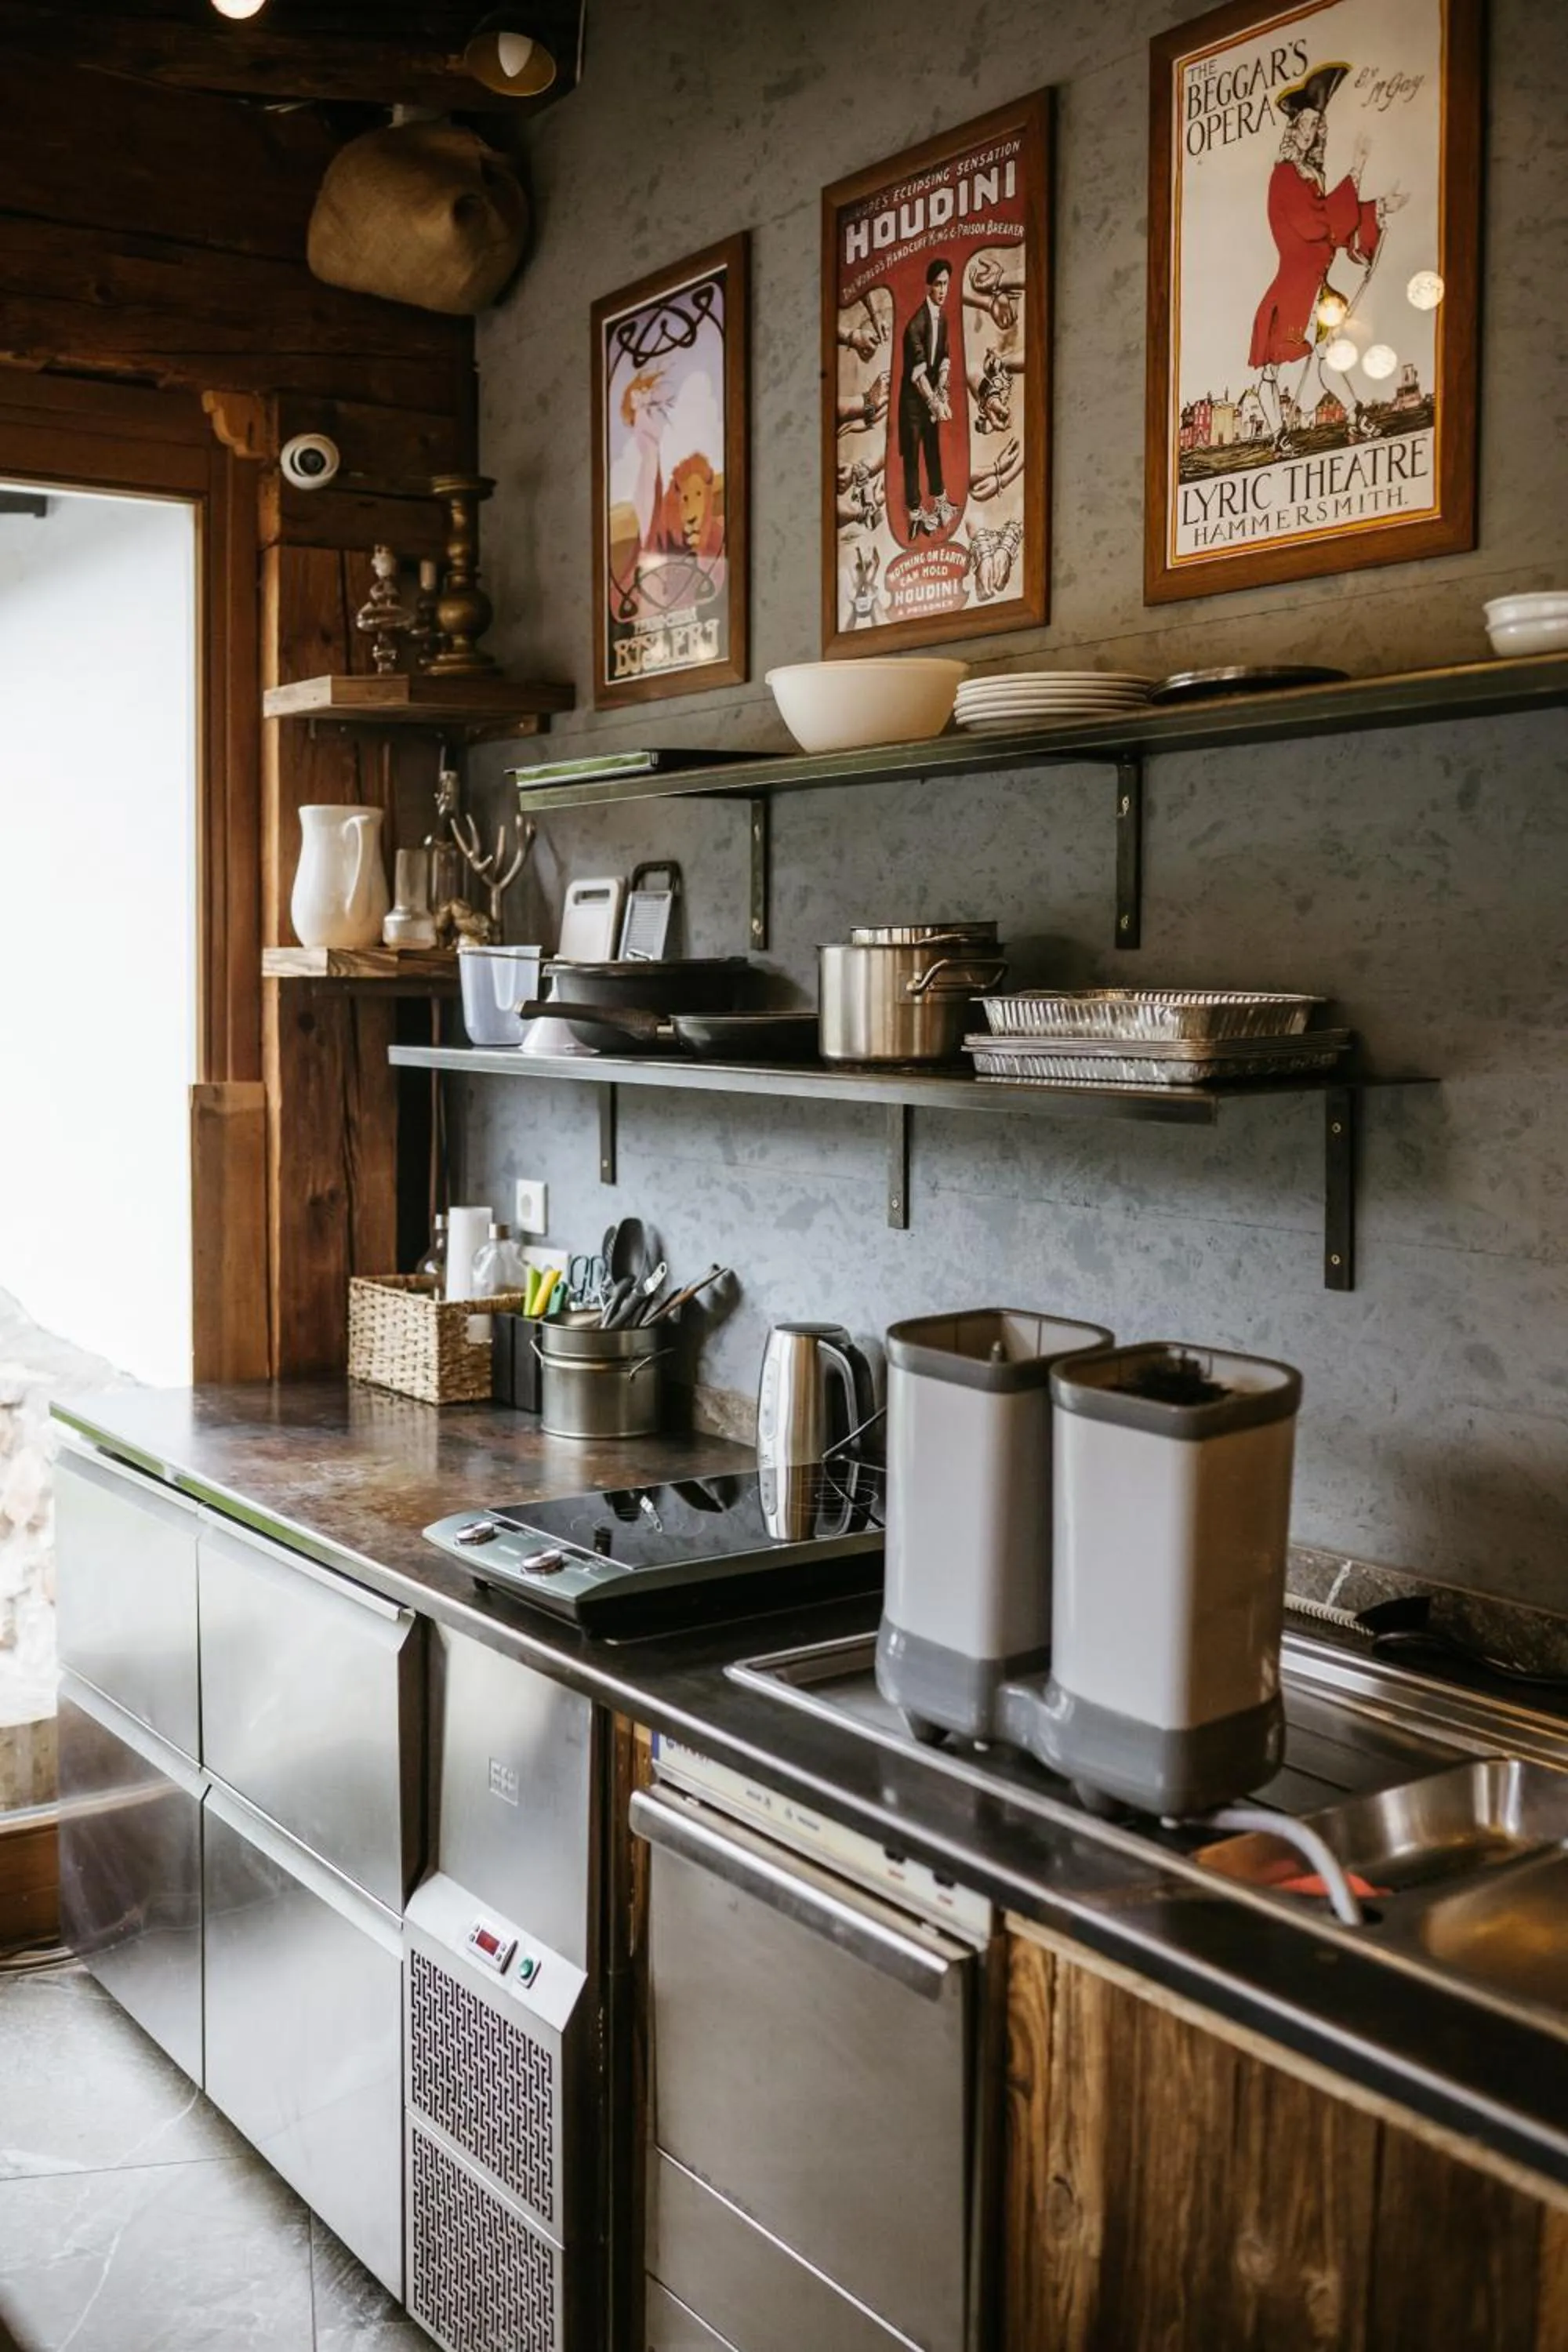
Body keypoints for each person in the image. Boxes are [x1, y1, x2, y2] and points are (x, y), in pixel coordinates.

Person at [1249, 63, 1406, 455]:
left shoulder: (1311, 176)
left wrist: (1377, 210)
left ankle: (1354, 413)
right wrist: (1357, 170)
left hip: (1315, 286)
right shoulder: (1285, 177)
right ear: (1293, 130)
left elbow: (1332, 230)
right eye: (1304, 126)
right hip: (1292, 288)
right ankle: (1277, 434)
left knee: (1325, 353)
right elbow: (1317, 226)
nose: (1310, 133)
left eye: (1316, 127)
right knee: (1271, 366)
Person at [898, 256, 956, 534]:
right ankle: (915, 511)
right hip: (913, 404)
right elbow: (919, 374)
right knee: (912, 455)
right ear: (928, 287)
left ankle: (940, 500)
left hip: (930, 396)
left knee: (933, 449)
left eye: (946, 284)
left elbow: (944, 356)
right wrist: (934, 402)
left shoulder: (942, 318)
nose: (943, 290)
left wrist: (943, 391)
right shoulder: (914, 326)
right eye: (938, 284)